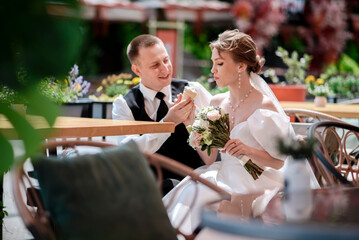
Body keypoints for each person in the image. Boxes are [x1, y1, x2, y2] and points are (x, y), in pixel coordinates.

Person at [163, 29, 318, 237]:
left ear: (241, 66)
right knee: (192, 193)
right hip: (223, 173)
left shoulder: (264, 106)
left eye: (219, 63)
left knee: (221, 202)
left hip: (257, 178)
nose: (213, 70)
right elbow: (209, 159)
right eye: (212, 63)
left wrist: (247, 150)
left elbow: (278, 162)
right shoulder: (216, 103)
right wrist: (191, 123)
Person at [112, 34, 212, 193]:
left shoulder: (195, 90)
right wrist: (166, 124)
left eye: (166, 60)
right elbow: (128, 153)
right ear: (137, 70)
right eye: (155, 65)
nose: (165, 69)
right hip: (150, 188)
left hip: (194, 183)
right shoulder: (124, 105)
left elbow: (220, 128)